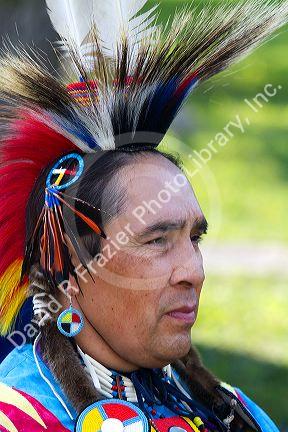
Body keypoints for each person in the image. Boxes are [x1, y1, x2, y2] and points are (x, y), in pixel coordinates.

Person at [0, 1, 287, 431]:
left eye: (195, 238)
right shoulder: (24, 417)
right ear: (70, 270)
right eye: (156, 240)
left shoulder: (234, 413)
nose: (193, 271)